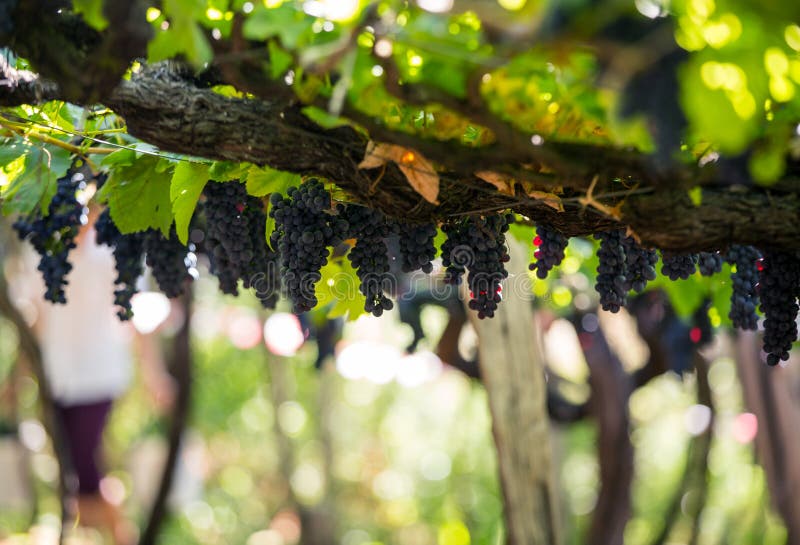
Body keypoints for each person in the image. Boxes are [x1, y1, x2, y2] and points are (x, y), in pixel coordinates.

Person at [15, 206, 174, 544]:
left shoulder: (118, 246)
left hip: (100, 373)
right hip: (57, 376)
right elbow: (35, 317)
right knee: (72, 471)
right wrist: (16, 378)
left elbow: (135, 315)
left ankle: (120, 535)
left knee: (84, 464)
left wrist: (154, 374)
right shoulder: (43, 246)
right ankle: (96, 533)